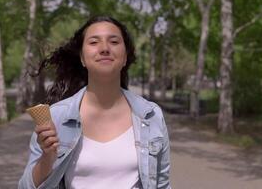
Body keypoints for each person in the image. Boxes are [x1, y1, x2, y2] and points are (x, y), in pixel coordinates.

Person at [18, 16, 171, 189]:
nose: (105, 48)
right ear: (82, 58)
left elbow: (162, 184)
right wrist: (47, 158)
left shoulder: (151, 115)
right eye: (94, 42)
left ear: (125, 58)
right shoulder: (56, 117)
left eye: (114, 41)